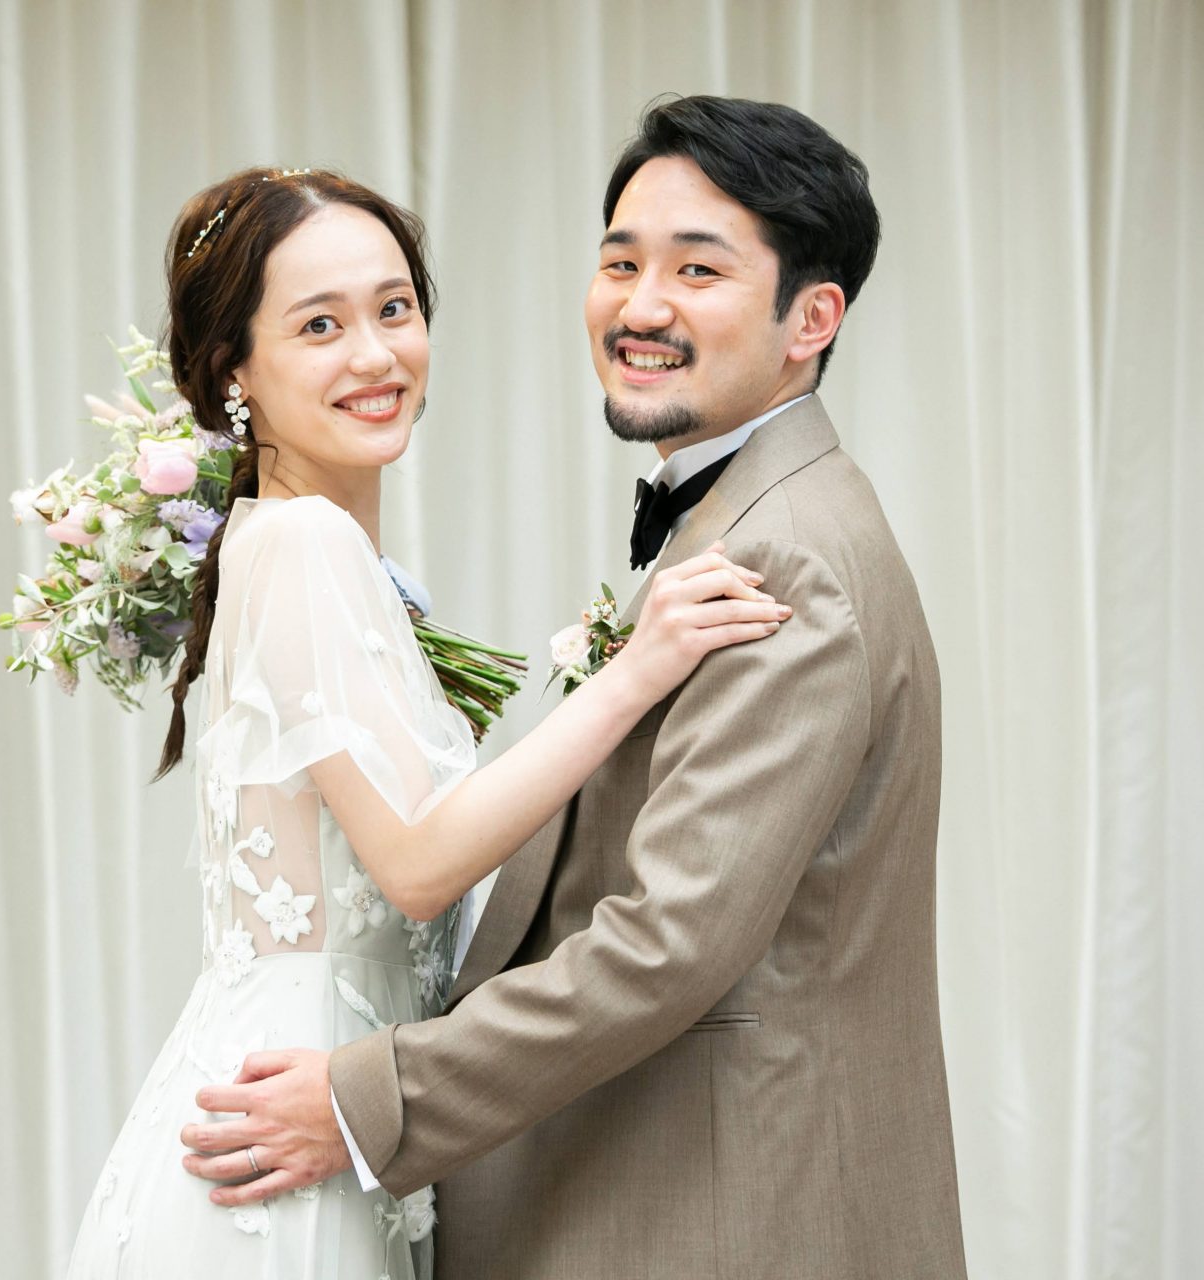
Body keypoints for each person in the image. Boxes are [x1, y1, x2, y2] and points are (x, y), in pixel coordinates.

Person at [184, 98, 968, 1279]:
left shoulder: (786, 551)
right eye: (621, 262)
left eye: (697, 269)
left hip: (738, 1215)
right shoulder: (742, 520)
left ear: (812, 317)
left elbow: (668, 941)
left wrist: (366, 1098)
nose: (641, 306)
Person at [63, 165, 786, 1278]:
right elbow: (414, 863)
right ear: (233, 368)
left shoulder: (317, 550)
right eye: (319, 325)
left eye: (394, 308)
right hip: (289, 1129)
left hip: (332, 1110)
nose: (375, 355)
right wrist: (636, 672)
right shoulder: (301, 544)